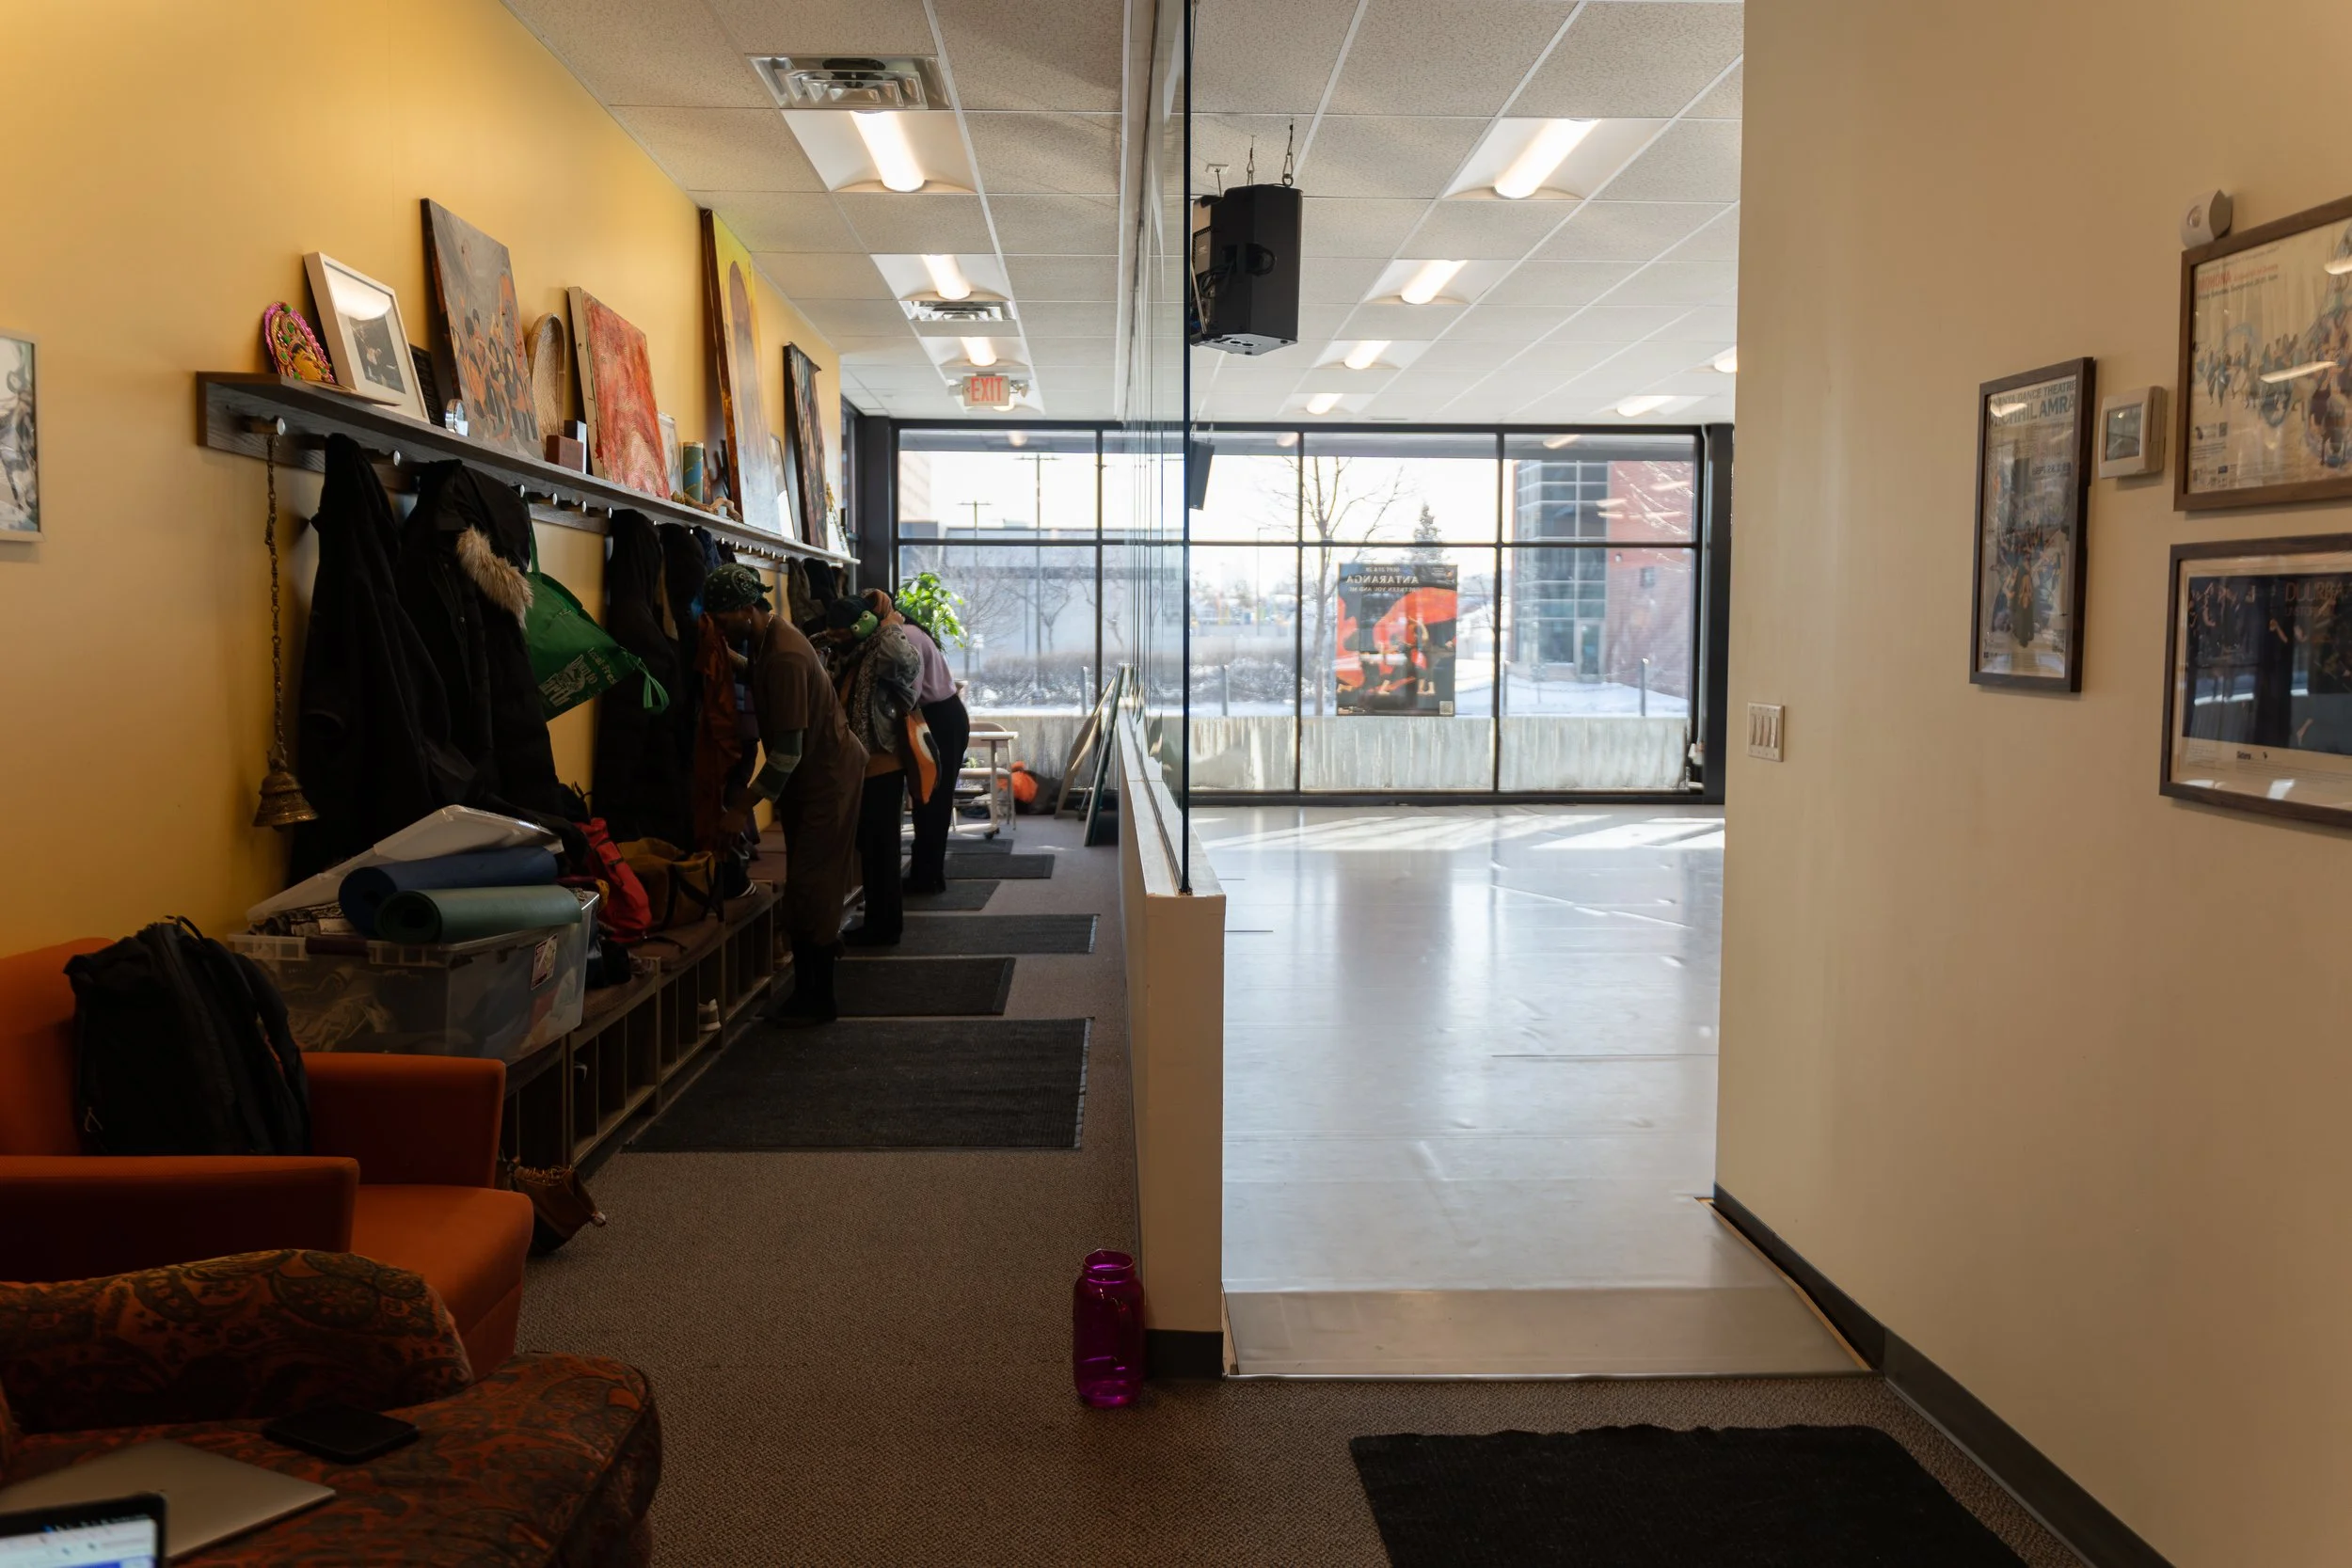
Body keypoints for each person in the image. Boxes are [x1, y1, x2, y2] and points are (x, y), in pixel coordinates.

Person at [707, 564, 864, 1023]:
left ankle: (818, 1001)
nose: (716, 628)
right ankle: (810, 992)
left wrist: (740, 809)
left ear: (744, 609)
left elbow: (786, 755)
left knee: (813, 888)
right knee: (808, 884)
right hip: (811, 780)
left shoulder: (786, 657)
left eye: (719, 620)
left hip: (826, 781)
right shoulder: (767, 640)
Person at [823, 589, 924, 947]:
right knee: (872, 848)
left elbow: (906, 662)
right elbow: (815, 640)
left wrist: (889, 625)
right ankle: (879, 921)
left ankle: (886, 928)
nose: (835, 637)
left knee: (883, 849)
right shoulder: (851, 655)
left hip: (884, 764)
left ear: (861, 626)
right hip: (861, 767)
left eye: (842, 630)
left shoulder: (884, 651)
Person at [899, 610, 969, 895]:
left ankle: (927, 877)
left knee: (933, 799)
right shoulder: (910, 632)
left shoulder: (907, 636)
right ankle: (927, 874)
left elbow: (910, 693)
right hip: (941, 715)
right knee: (928, 799)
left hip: (940, 719)